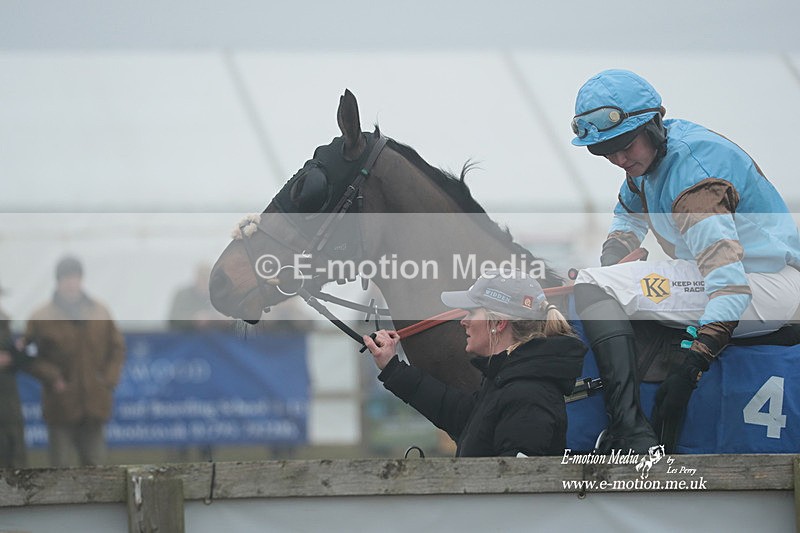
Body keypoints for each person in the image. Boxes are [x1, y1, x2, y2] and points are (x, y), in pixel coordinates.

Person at [569, 69, 800, 453]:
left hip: (764, 285)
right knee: (607, 277)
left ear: (655, 124)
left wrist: (692, 365)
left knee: (599, 285)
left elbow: (728, 288)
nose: (618, 157)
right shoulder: (652, 156)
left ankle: (630, 430)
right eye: (604, 150)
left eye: (625, 143)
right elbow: (628, 213)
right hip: (747, 274)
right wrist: (615, 258)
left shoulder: (696, 184)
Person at [363, 269, 586, 457]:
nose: (464, 321)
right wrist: (392, 367)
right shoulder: (508, 381)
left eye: (471, 312)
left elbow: (518, 496)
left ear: (498, 323)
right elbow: (461, 415)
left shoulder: (528, 395)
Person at [25, 256, 126, 466]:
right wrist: (52, 377)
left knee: (97, 469)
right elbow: (28, 355)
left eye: (75, 277)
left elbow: (116, 349)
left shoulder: (100, 311)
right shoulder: (41, 316)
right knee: (60, 471)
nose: (71, 283)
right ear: (58, 281)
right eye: (66, 278)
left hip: (94, 404)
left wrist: (107, 380)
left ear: (81, 279)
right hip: (60, 405)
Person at [0, 282, 30, 467]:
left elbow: (23, 357)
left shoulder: (6, 325)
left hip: (7, 400)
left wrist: (14, 357)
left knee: (13, 449)